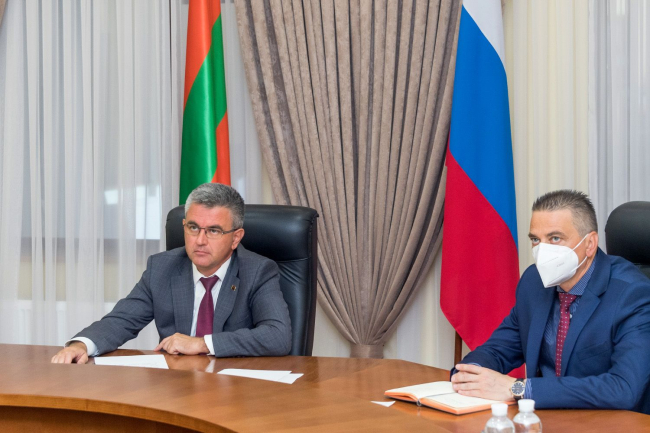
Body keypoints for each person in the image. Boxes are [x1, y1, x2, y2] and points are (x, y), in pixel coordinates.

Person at [451, 190, 650, 413]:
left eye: (555, 238)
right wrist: (470, 374)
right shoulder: (533, 282)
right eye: (536, 240)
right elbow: (499, 349)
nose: (542, 250)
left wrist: (519, 388)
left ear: (590, 244)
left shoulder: (633, 294)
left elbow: (624, 389)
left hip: (607, 422)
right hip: (543, 419)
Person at [52, 183, 292, 364]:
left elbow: (277, 336)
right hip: (177, 386)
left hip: (235, 390)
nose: (200, 240)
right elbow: (122, 320)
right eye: (193, 227)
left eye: (214, 231)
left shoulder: (258, 271)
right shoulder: (162, 268)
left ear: (236, 238)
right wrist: (81, 345)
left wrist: (202, 344)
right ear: (184, 227)